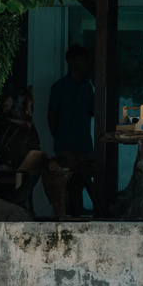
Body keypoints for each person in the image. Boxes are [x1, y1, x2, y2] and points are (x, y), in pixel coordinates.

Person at [42, 45, 98, 220]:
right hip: (65, 144)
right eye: (81, 59)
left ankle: (76, 218)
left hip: (84, 143)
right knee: (62, 183)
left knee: (80, 183)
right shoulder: (59, 87)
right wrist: (59, 138)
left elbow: (93, 112)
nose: (85, 63)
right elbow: (52, 116)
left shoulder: (88, 87)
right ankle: (63, 219)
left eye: (86, 59)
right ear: (71, 61)